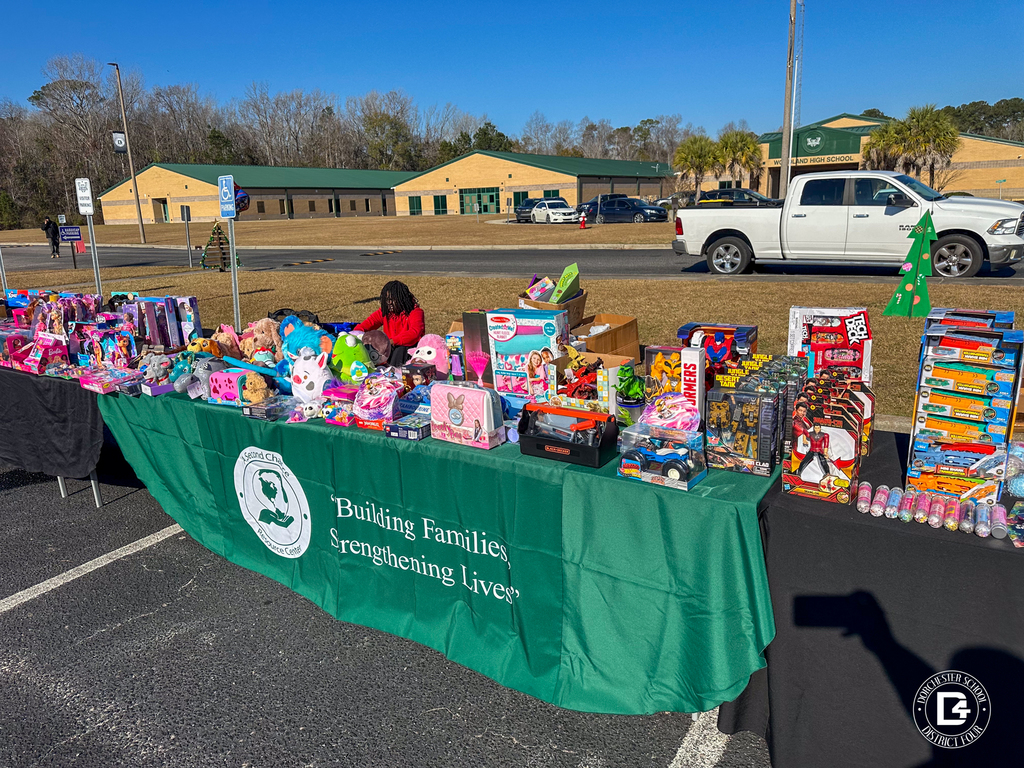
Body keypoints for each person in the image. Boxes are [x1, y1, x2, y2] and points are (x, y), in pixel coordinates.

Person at [354, 280, 425, 366]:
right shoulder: (385, 312)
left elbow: (414, 333)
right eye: (387, 300)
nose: (389, 303)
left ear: (402, 299)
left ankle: (395, 374)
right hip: (389, 347)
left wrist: (391, 341)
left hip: (409, 349)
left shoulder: (415, 312)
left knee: (400, 350)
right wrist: (355, 335)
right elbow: (365, 325)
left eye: (392, 299)